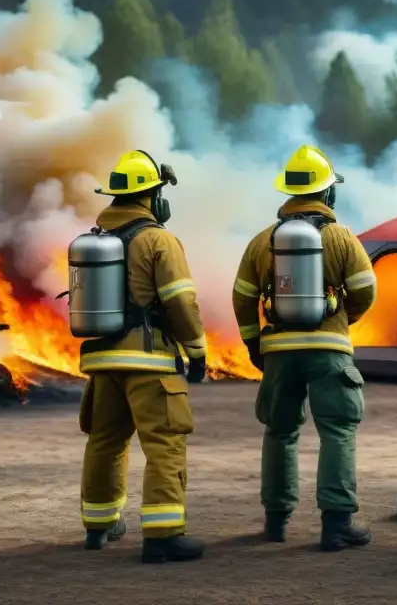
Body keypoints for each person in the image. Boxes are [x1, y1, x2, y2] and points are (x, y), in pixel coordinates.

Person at [231, 144, 378, 552]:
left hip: (279, 351)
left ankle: (276, 522)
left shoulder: (263, 241)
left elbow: (242, 297)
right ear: (328, 192)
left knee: (280, 431)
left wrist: (253, 342)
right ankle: (336, 526)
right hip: (329, 349)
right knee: (337, 431)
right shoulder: (341, 237)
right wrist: (340, 318)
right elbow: (366, 290)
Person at [76, 150, 208, 564]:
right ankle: (163, 536)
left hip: (103, 362)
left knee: (105, 441)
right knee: (164, 443)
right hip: (150, 363)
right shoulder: (158, 240)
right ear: (151, 196)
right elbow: (181, 302)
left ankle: (98, 526)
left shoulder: (97, 239)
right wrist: (197, 350)